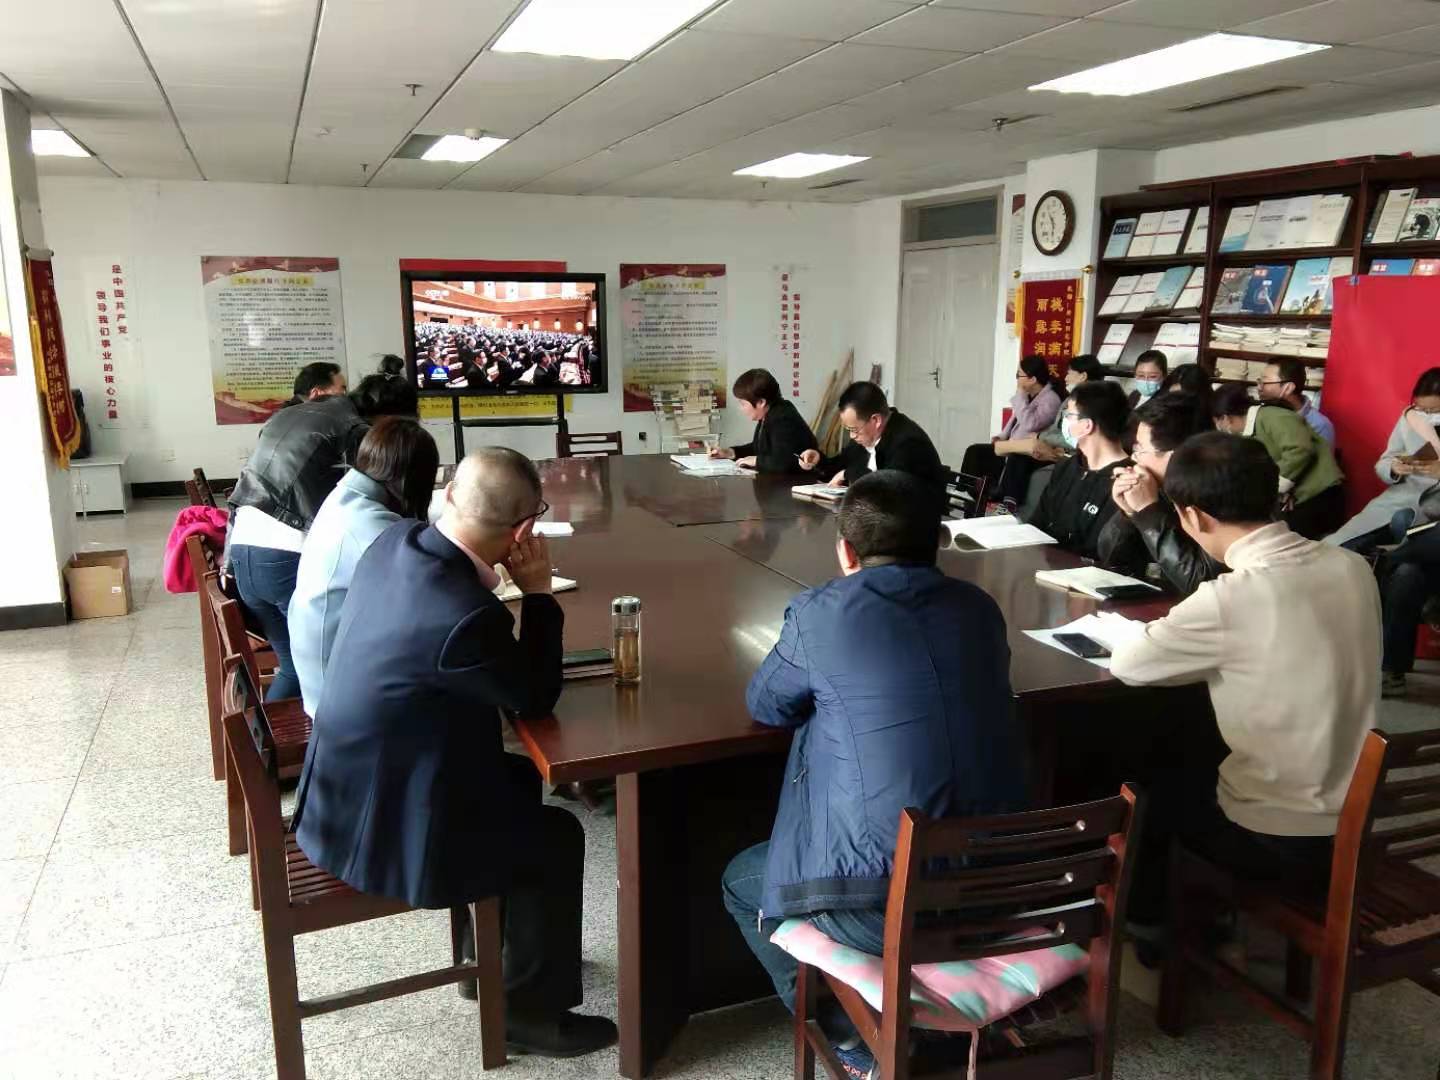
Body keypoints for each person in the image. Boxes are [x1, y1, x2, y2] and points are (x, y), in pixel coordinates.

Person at [291, 447, 617, 1058]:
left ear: (447, 497)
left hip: (339, 795)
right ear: (525, 530)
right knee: (555, 836)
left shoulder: (396, 543)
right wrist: (538, 594)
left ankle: (488, 956)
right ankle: (527, 1014)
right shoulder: (463, 616)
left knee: (515, 777)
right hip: (382, 829)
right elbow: (533, 697)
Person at [721, 470, 1025, 1080]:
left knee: (742, 880)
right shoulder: (980, 609)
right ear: (939, 540)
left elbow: (768, 703)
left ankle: (856, 1038)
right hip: (1001, 890)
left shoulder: (820, 614)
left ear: (846, 551)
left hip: (881, 912)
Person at [1107, 433, 1379, 919]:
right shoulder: (1353, 567)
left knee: (1145, 784)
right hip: (1355, 822)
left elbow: (1128, 663)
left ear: (1193, 517)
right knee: (1195, 739)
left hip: (1275, 839)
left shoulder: (1232, 597)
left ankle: (1157, 927)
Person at [228, 363, 418, 701]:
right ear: (388, 419)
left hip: (243, 551)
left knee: (292, 668)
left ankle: (264, 735)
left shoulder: (295, 412)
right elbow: (374, 497)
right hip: (284, 555)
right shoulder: (356, 430)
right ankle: (312, 732)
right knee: (329, 667)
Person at [287, 417, 440, 717]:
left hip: (326, 668)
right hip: (337, 704)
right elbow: (433, 589)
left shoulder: (346, 497)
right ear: (414, 479)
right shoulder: (369, 525)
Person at [1099, 392, 1222, 595]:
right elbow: (1110, 557)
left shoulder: (1220, 495)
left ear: (1176, 456)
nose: (1134, 458)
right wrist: (1128, 514)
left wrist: (1148, 510)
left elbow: (1200, 581)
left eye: (1141, 449)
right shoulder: (1159, 487)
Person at [1211, 384, 1345, 541]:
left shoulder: (1272, 417)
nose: (1218, 428)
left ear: (1226, 418)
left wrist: (1276, 487)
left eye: (1217, 422)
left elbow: (1299, 450)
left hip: (1321, 494)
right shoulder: (1248, 433)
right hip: (1300, 497)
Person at [1328, 368, 1440, 551]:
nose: (1426, 415)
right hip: (1401, 498)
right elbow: (1385, 460)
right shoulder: (1411, 418)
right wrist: (1394, 468)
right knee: (1340, 544)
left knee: (1405, 540)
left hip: (1433, 509)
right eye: (1422, 408)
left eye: (1434, 410)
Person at [1024, 381, 1132, 559]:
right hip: (1045, 565)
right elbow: (1037, 523)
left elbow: (1106, 550)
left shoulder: (1127, 480)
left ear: (1087, 426)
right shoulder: (1067, 467)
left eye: (1069, 415)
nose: (1064, 421)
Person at [988, 354, 1106, 507]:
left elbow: (1074, 438)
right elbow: (1056, 429)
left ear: (1083, 376)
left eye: (1069, 373)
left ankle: (1009, 504)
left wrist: (1041, 436)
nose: (1066, 377)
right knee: (994, 451)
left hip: (1072, 455)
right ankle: (991, 496)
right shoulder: (1070, 399)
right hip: (1058, 449)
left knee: (1019, 455)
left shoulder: (1089, 403)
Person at [797, 381, 946, 498]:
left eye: (854, 430)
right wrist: (818, 461)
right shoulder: (866, 435)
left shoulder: (908, 443)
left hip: (916, 520)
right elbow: (839, 469)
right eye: (849, 430)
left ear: (876, 420)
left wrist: (848, 474)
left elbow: (887, 487)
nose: (852, 436)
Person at [959, 354, 1064, 492]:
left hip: (1026, 451)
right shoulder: (1030, 395)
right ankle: (964, 492)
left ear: (1032, 379)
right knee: (974, 451)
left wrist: (1020, 395)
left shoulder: (1050, 400)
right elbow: (1015, 419)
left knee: (984, 456)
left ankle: (980, 493)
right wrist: (1002, 436)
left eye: (1019, 375)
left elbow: (1030, 424)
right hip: (1011, 445)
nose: (1017, 379)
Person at [709, 368, 818, 473]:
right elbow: (760, 447)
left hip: (802, 481)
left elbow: (785, 461)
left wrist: (756, 460)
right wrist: (730, 452)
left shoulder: (783, 418)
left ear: (761, 402)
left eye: (743, 404)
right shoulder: (769, 413)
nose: (741, 409)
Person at [1256, 358, 1334, 446]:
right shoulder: (1258, 414)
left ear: (1288, 388)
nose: (1258, 388)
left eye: (1264, 383)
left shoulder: (1319, 426)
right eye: (1259, 382)